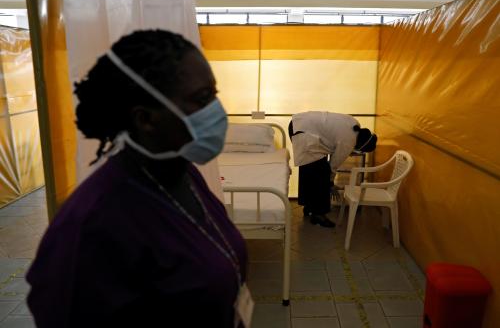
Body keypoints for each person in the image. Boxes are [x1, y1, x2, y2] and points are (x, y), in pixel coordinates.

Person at [26, 30, 250, 328]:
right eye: (202, 98)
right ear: (145, 119)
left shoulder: (182, 173)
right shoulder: (94, 223)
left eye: (214, 94)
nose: (217, 112)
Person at [288, 111, 377, 228]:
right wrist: (330, 183)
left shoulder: (354, 124)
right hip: (303, 131)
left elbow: (331, 137)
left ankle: (309, 206)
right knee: (321, 172)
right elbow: (333, 165)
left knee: (309, 170)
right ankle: (318, 214)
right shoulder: (348, 142)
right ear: (361, 145)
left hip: (299, 123)